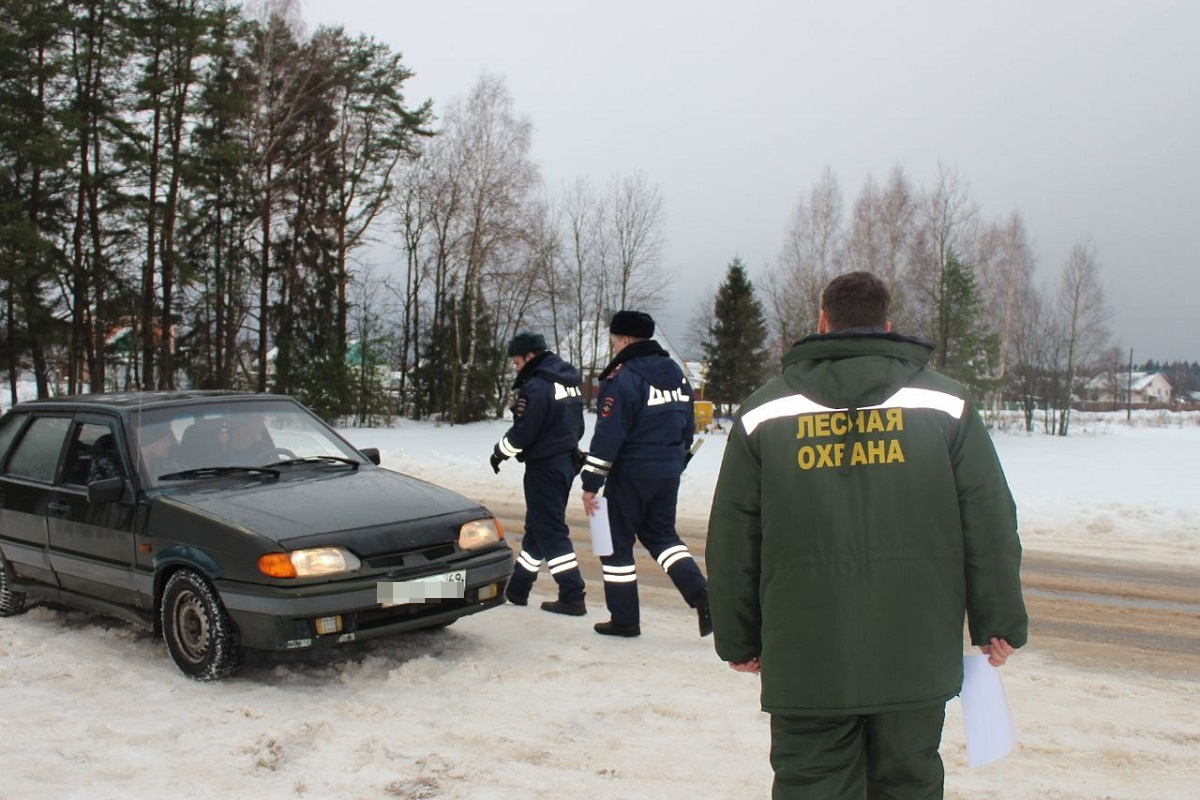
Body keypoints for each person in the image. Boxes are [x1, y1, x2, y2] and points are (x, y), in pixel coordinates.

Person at [706, 271, 1028, 799]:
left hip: (807, 656)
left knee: (811, 784)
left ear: (823, 322)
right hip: (916, 652)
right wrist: (1000, 620)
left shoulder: (764, 411)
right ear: (888, 325)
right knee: (906, 783)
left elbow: (734, 536)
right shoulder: (948, 405)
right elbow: (989, 519)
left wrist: (738, 636)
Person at [580, 310, 711, 638]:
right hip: (668, 471)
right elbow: (687, 426)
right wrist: (675, 462)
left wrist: (591, 483)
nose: (612, 348)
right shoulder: (675, 373)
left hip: (632, 474)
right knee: (663, 537)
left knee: (614, 544)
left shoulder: (624, 377)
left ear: (624, 339)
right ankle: (702, 595)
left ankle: (624, 620)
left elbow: (609, 435)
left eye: (613, 341)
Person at [490, 332, 588, 615]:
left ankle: (572, 593)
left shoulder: (536, 387)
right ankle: (519, 589)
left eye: (517, 361)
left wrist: (500, 451)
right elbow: (577, 427)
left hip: (544, 467)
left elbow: (523, 433)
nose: (516, 367)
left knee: (551, 530)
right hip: (566, 462)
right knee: (538, 528)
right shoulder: (567, 381)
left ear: (530, 356)